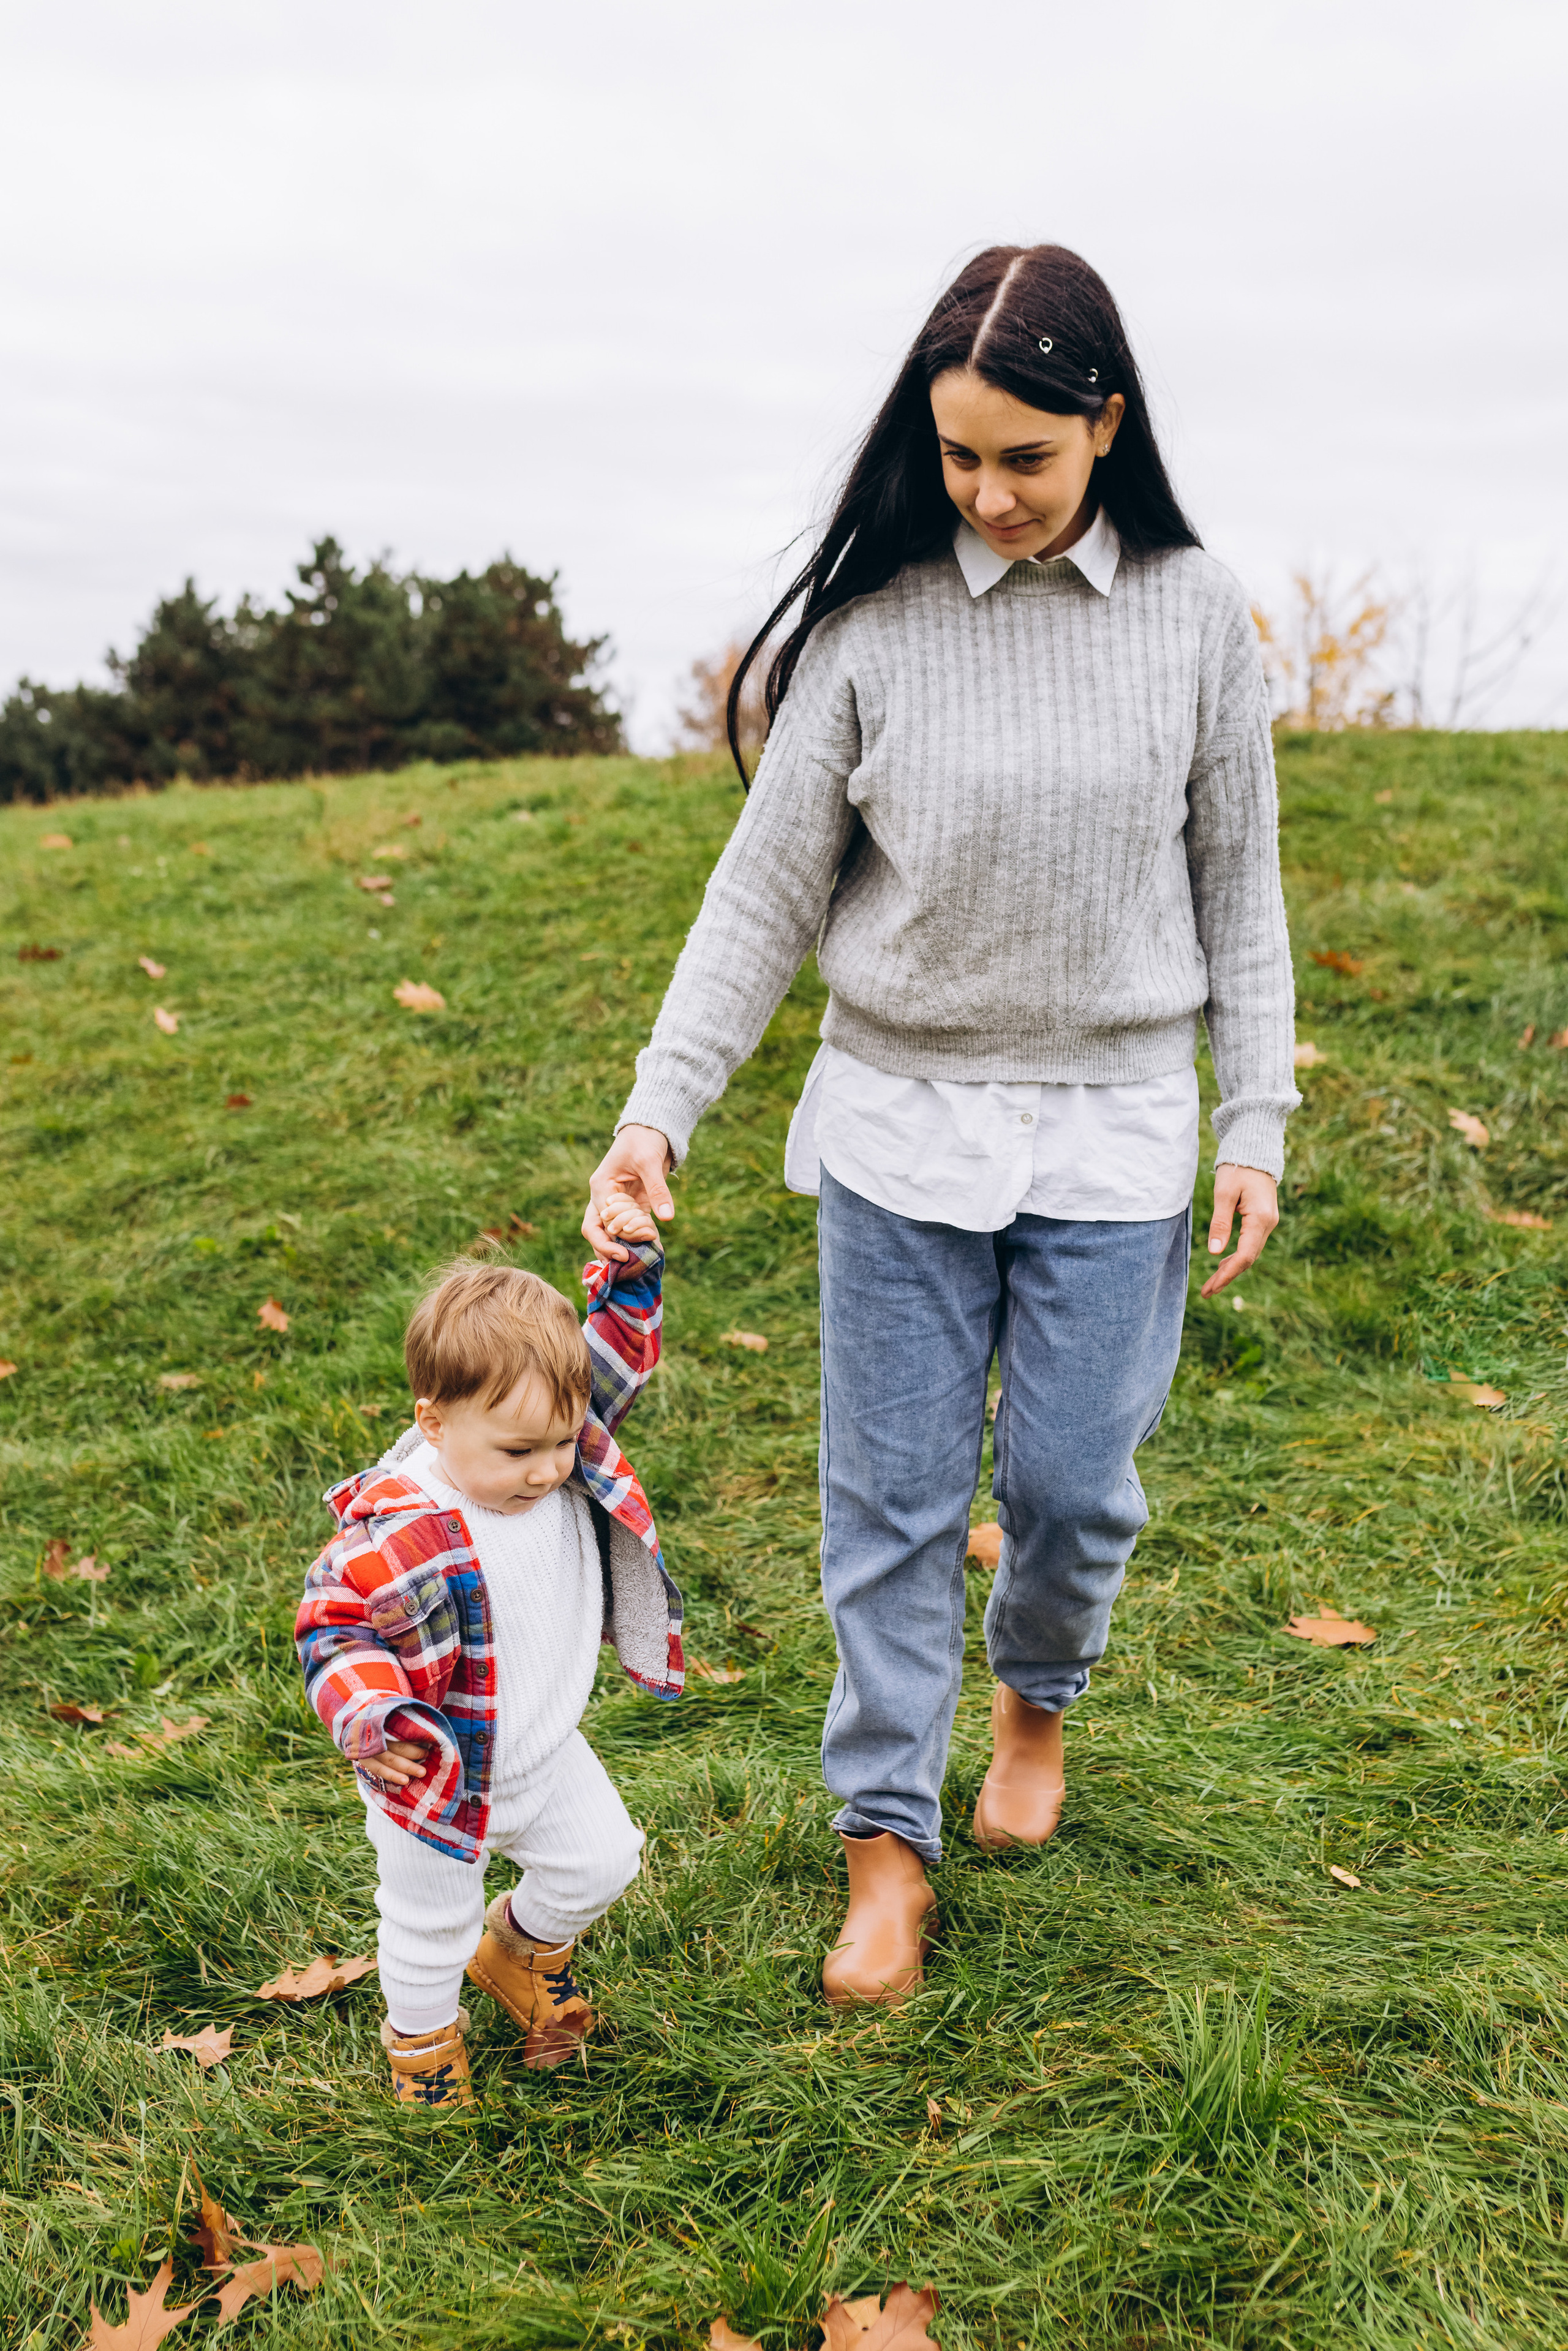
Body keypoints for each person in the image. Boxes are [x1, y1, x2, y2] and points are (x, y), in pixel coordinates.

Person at [586, 242, 1297, 2010]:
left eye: (1027, 460)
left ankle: (1035, 1701)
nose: (989, 491)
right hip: (901, 1117)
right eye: (961, 454)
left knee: (1071, 1484)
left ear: (1106, 426)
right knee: (890, 1503)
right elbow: (760, 900)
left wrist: (1256, 1115)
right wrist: (655, 1111)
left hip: (1118, 1124)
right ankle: (883, 1841)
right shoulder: (876, 627)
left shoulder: (1199, 614)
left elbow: (1243, 888)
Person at [295, 1200, 684, 2108]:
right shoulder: (403, 1527)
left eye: (560, 1440)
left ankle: (516, 1947)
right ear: (434, 1423)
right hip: (437, 1770)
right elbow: (333, 1622)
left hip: (545, 1749)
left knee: (605, 1859)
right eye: (519, 1450)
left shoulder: (561, 1442)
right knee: (429, 1924)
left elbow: (614, 1360)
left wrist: (629, 1268)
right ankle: (422, 2044)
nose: (550, 1468)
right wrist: (369, 1712)